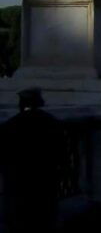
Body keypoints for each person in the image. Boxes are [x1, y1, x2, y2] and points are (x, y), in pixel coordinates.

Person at [0, 88, 64, 233]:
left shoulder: (11, 124)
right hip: (44, 178)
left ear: (22, 103)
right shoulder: (51, 122)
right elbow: (60, 152)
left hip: (19, 181)